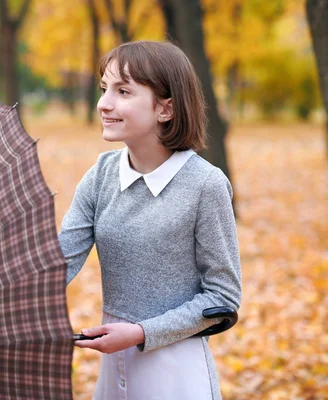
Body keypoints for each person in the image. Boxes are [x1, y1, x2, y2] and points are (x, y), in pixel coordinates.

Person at [58, 40, 242, 400]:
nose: (104, 104)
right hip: (114, 362)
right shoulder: (100, 174)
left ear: (165, 109)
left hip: (175, 368)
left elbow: (222, 296)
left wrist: (142, 331)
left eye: (123, 91)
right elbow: (58, 261)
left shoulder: (205, 185)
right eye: (104, 89)